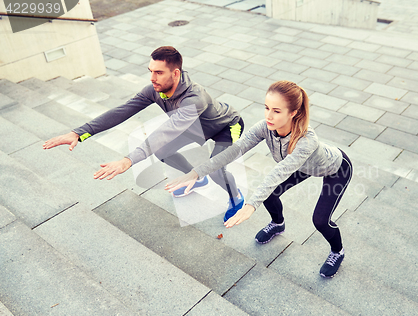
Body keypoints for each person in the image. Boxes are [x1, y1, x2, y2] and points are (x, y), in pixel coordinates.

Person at [166, 80, 353, 278]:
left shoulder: (307, 140)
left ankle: (337, 251)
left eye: (277, 111)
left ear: (293, 113)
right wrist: (196, 172)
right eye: (267, 108)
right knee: (270, 194)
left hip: (335, 169)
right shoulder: (265, 127)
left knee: (320, 220)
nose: (269, 116)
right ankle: (278, 223)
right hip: (302, 165)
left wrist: (251, 204)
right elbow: (235, 150)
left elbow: (280, 171)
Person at [43, 46, 245, 221]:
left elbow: (164, 133)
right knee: (163, 151)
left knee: (217, 169)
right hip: (194, 128)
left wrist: (128, 160)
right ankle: (196, 179)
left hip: (225, 127)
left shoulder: (194, 100)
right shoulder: (154, 90)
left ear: (175, 74)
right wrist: (80, 133)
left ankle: (236, 197)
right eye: (150, 71)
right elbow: (122, 111)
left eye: (158, 72)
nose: (152, 78)